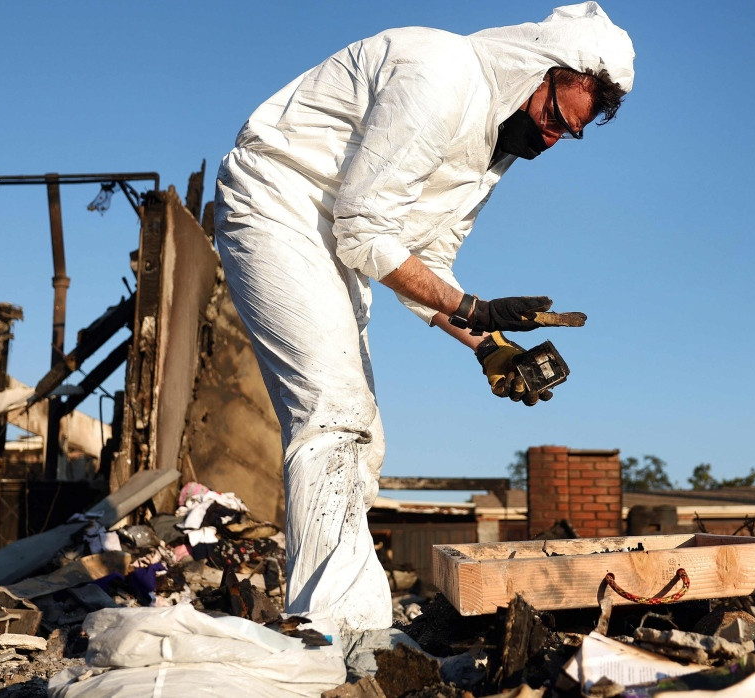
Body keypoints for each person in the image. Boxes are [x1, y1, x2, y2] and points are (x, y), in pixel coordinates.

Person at [214, 2, 634, 637]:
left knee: (365, 440)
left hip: (333, 239)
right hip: (278, 203)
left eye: (567, 135)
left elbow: (427, 259)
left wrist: (488, 345)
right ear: (538, 69)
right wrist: (475, 310)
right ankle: (332, 624)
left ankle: (336, 621)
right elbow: (364, 230)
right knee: (333, 409)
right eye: (553, 118)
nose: (551, 139)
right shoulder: (441, 76)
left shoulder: (490, 152)